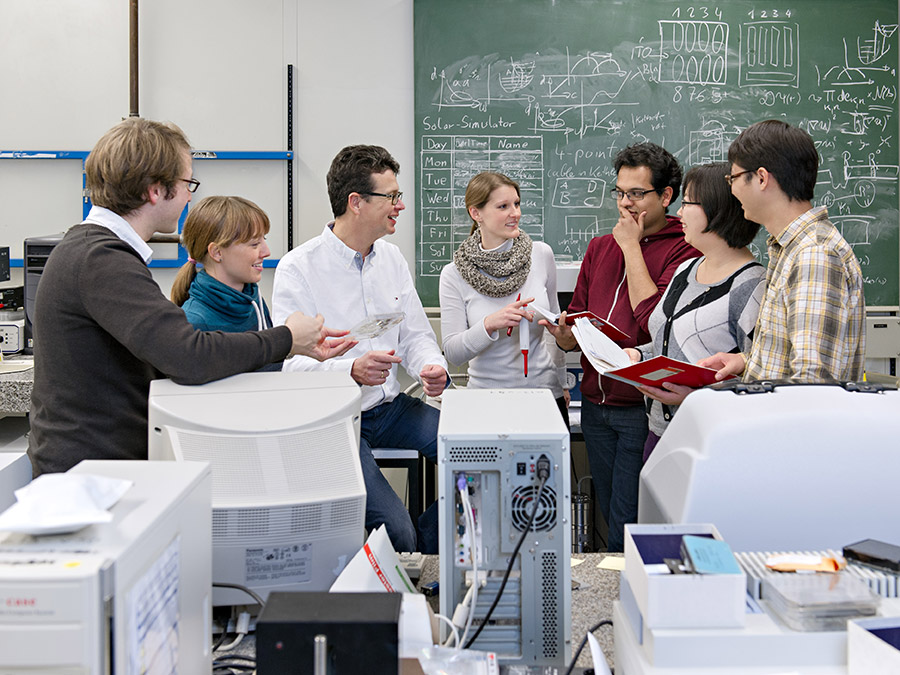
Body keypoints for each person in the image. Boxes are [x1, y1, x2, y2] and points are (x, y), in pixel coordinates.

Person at [28, 118, 353, 477]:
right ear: (155, 191)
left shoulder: (96, 251)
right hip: (91, 477)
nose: (189, 196)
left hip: (100, 469)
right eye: (186, 183)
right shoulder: (101, 260)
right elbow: (188, 356)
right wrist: (288, 339)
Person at [272, 144, 449, 553]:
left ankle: (422, 554)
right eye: (391, 197)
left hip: (390, 408)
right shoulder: (300, 268)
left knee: (490, 458)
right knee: (395, 533)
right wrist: (349, 370)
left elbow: (416, 335)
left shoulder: (392, 260)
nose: (400, 206)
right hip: (335, 417)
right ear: (356, 202)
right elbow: (291, 368)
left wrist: (431, 366)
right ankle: (410, 552)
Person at [541, 142, 699, 552]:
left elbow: (652, 321)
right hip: (595, 402)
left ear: (665, 196)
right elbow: (577, 317)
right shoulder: (599, 247)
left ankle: (622, 601)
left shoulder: (685, 249)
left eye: (637, 194)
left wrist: (631, 246)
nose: (625, 204)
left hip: (641, 406)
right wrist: (564, 334)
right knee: (608, 507)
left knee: (629, 519)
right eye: (620, 192)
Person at [699, 120, 866, 382]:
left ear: (762, 178)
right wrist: (747, 361)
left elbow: (813, 382)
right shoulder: (791, 247)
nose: (732, 189)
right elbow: (792, 353)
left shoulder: (814, 255)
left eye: (734, 178)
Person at [624, 163, 765, 461]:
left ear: (717, 210)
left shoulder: (752, 285)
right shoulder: (686, 269)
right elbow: (671, 342)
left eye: (687, 202)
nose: (679, 213)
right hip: (659, 433)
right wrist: (639, 355)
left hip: (711, 444)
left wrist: (696, 400)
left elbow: (760, 378)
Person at [439, 172, 567, 421]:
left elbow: (553, 327)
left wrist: (562, 383)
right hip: (486, 402)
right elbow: (453, 353)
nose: (515, 213)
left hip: (545, 397)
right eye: (503, 206)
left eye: (517, 204)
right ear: (476, 213)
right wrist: (489, 325)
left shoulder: (541, 254)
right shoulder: (454, 274)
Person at [171, 195, 278, 342]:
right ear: (217, 252)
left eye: (263, 240)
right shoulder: (194, 322)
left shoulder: (253, 299)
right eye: (254, 244)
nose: (266, 252)